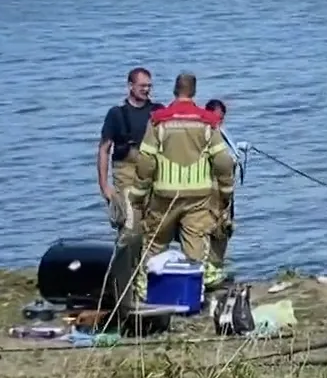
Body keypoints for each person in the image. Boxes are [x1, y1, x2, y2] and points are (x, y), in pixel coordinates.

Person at [125, 72, 236, 297]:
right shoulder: (207, 122)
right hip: (198, 196)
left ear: (175, 91)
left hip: (164, 194)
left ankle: (146, 290)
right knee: (195, 245)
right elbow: (223, 161)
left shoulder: (159, 120)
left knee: (155, 242)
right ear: (194, 92)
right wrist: (226, 191)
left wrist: (138, 194)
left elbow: (146, 161)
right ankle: (193, 292)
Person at [97, 67, 155, 232]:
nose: (146, 89)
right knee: (130, 229)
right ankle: (126, 256)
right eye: (142, 85)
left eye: (149, 86)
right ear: (130, 85)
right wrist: (104, 186)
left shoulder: (157, 111)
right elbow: (104, 149)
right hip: (126, 176)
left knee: (153, 230)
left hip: (152, 177)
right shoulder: (116, 114)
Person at [204, 99, 236, 273]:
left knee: (224, 230)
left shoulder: (223, 135)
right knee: (210, 231)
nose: (217, 123)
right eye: (215, 119)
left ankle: (217, 268)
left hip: (225, 192)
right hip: (210, 193)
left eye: (221, 119)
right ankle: (209, 269)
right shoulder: (203, 135)